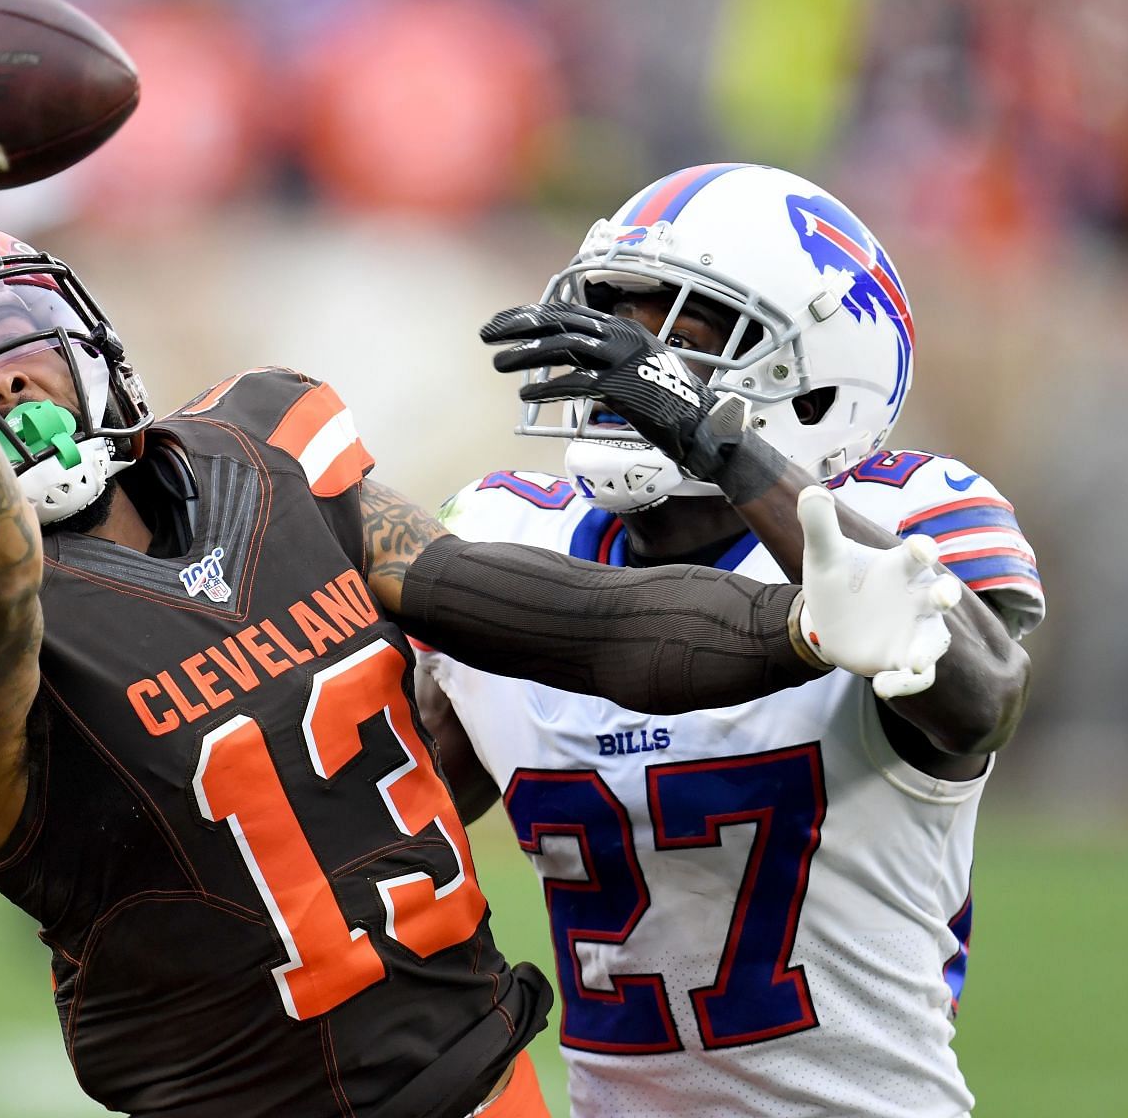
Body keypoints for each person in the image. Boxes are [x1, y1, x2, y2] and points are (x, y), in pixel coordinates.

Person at [0, 147, 959, 1118]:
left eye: (20, 355)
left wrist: (800, 627)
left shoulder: (266, 449)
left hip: (489, 1090)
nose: (8, 399)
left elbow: (547, 616)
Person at [415, 162, 1043, 1118]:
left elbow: (981, 696)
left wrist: (714, 436)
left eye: (678, 332)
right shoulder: (509, 533)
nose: (626, 361)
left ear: (822, 381)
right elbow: (393, 820)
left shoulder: (901, 515)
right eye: (614, 316)